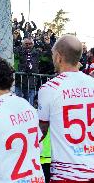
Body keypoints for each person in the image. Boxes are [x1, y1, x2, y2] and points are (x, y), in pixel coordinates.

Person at [38, 35, 94, 182]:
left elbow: (41, 131)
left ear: (58, 57)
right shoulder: (92, 83)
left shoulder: (49, 88)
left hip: (66, 175)